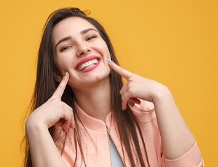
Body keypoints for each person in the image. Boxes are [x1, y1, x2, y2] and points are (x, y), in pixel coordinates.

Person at [24, 7, 204, 167]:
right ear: (56, 72)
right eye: (66, 47)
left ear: (107, 49)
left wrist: (163, 95)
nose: (83, 48)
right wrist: (35, 126)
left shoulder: (152, 113)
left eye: (90, 37)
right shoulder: (53, 140)